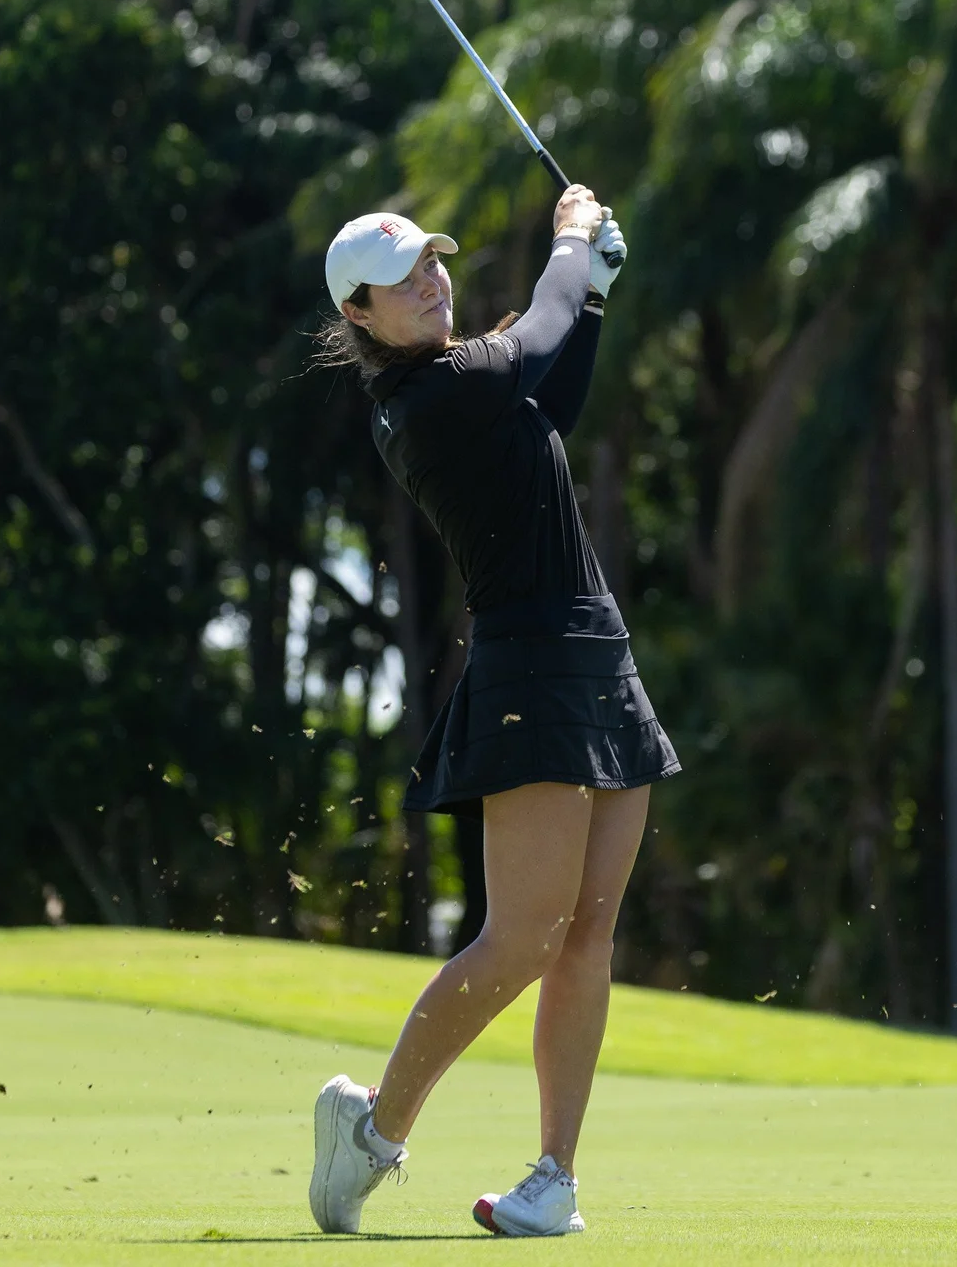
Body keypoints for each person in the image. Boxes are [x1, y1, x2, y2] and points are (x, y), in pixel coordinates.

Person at [308, 185, 681, 1238]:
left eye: (433, 264)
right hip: (529, 670)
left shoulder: (475, 382)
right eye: (402, 282)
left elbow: (552, 393)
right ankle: (373, 1131)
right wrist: (574, 249)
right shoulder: (427, 397)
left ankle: (552, 1178)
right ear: (361, 319)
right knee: (522, 938)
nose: (431, 284)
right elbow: (541, 334)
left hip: (594, 651)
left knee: (587, 936)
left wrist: (594, 293)